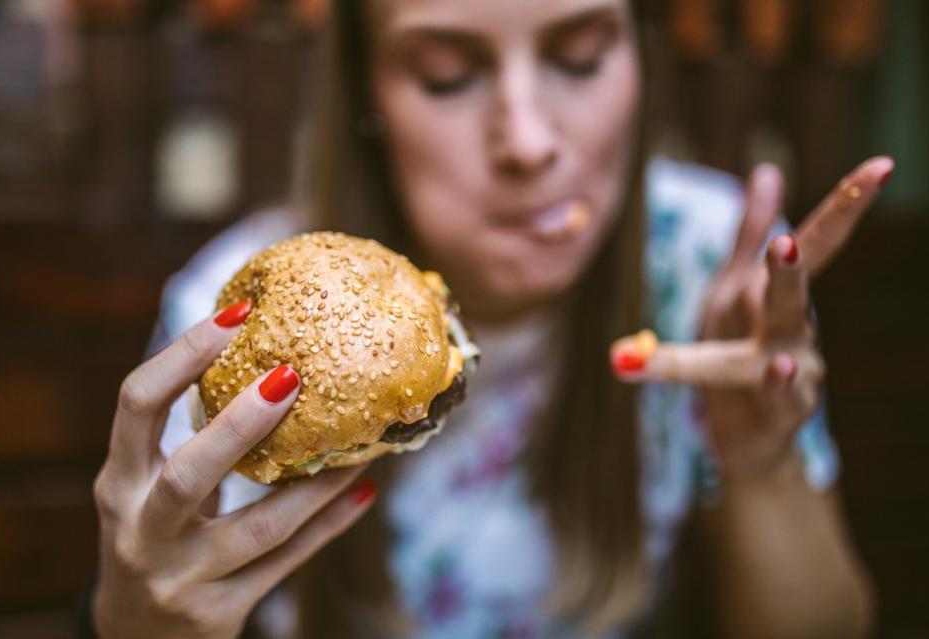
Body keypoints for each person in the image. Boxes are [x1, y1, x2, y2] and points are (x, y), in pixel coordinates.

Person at [87, 0, 887, 637]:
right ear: (368, 95)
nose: (529, 141)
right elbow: (167, 592)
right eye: (446, 75)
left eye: (580, 57)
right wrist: (142, 624)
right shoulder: (232, 327)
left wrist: (763, 465)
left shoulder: (712, 267)